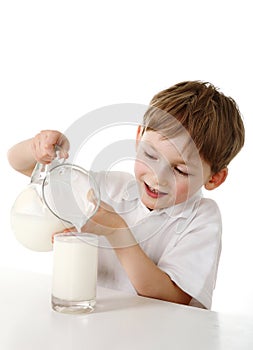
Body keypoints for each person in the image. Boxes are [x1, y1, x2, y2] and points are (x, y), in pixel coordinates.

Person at [8, 81, 245, 309]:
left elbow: (173, 297)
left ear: (214, 178)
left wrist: (115, 231)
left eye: (180, 170)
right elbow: (21, 164)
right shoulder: (110, 188)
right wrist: (39, 149)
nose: (158, 177)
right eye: (150, 155)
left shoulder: (201, 218)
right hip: (97, 326)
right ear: (138, 137)